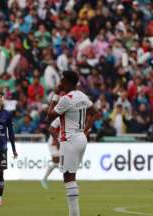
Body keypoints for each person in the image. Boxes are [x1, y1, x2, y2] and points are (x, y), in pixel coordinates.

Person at [47, 71, 97, 216]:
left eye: (62, 80)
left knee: (68, 177)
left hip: (69, 139)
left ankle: (74, 214)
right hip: (81, 138)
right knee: (71, 175)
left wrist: (55, 94)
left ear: (67, 82)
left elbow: (49, 116)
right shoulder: (82, 95)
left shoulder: (66, 99)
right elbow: (94, 112)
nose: (60, 83)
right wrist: (85, 130)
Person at [41, 117, 60, 189]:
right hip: (54, 141)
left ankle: (44, 179)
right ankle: (69, 179)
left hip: (60, 141)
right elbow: (51, 130)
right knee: (56, 161)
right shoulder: (58, 120)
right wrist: (56, 142)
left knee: (57, 163)